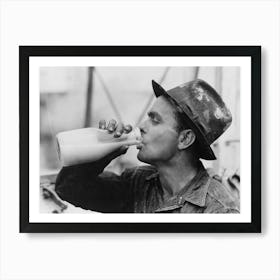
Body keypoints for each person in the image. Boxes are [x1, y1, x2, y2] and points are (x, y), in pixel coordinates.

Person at [55, 79, 240, 213]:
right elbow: (69, 189)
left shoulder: (219, 211)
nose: (142, 126)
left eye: (155, 120)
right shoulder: (137, 182)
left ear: (185, 139)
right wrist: (103, 150)